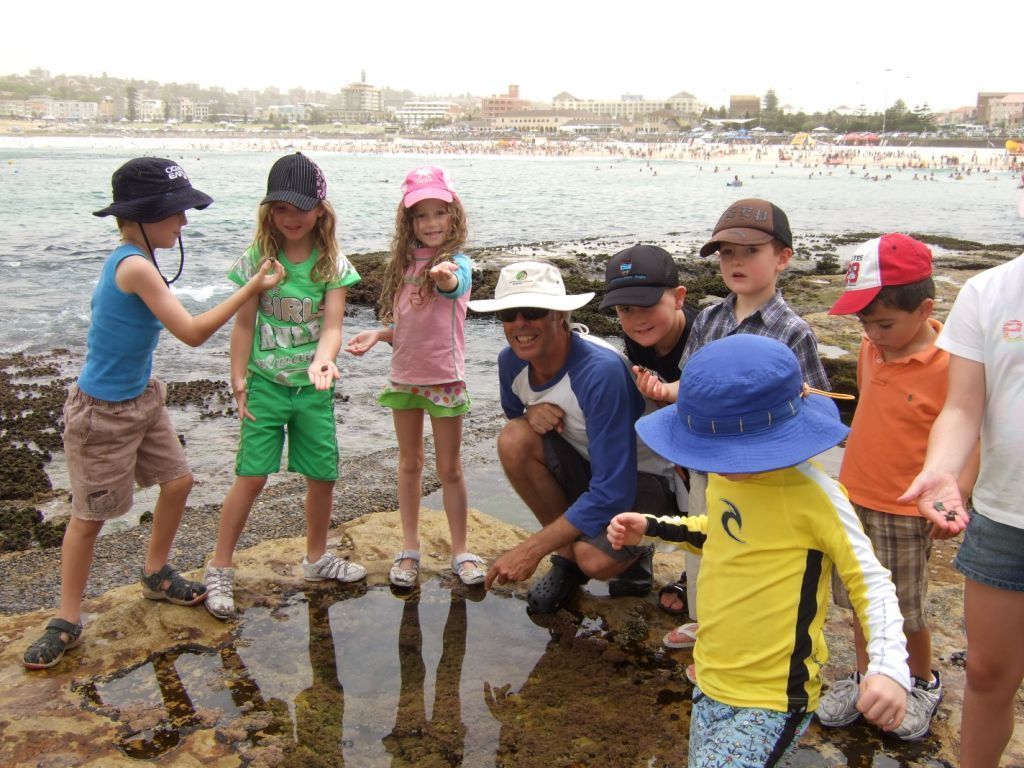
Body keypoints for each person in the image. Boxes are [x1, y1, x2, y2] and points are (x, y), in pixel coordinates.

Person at [22, 157, 284, 669]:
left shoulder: (140, 259)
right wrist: (249, 289)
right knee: (89, 517)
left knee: (179, 481)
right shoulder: (135, 266)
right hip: (102, 412)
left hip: (143, 398)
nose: (183, 223)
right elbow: (190, 333)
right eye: (175, 213)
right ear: (141, 216)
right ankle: (67, 619)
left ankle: (156, 572)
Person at [608, 334, 910, 768]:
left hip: (774, 693)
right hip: (713, 674)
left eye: (729, 452)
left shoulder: (817, 498)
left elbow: (872, 582)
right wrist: (652, 527)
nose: (720, 465)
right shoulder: (730, 477)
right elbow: (719, 531)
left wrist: (888, 667)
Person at [635, 198, 831, 649]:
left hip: (768, 470)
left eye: (750, 252)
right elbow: (695, 384)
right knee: (707, 544)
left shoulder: (793, 330)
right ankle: (706, 623)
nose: (736, 262)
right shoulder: (709, 318)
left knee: (756, 552)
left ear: (783, 257)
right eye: (727, 253)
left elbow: (816, 404)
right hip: (708, 461)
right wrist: (666, 392)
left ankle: (752, 634)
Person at [817, 233, 977, 740]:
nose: (872, 334)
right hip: (853, 499)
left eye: (883, 323)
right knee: (862, 601)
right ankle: (870, 676)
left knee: (906, 609)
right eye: (864, 323)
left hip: (905, 508)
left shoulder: (952, 364)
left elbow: (971, 438)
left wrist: (956, 495)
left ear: (925, 307)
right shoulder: (870, 350)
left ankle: (919, 681)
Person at [202, 153, 366, 620]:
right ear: (268, 211)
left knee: (322, 474)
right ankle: (220, 566)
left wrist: (323, 361)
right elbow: (243, 326)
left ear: (321, 208)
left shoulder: (332, 263)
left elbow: (332, 326)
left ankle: (316, 559)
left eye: (300, 207)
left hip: (313, 389)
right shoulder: (259, 260)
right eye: (280, 208)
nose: (291, 218)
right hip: (267, 386)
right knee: (251, 476)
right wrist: (237, 377)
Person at [471, 261, 675, 613]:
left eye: (533, 311)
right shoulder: (512, 362)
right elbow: (515, 418)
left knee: (594, 561)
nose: (520, 324)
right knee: (514, 438)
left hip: (647, 480)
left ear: (560, 316)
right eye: (508, 314)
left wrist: (531, 549)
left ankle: (637, 552)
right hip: (592, 466)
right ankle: (566, 559)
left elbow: (613, 492)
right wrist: (531, 413)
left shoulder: (600, 372)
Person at [899, 251, 1024, 768]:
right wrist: (943, 468)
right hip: (1004, 516)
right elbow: (963, 405)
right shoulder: (989, 291)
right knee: (986, 673)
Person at [345, 165, 485, 588]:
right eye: (420, 215)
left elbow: (454, 288)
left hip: (445, 379)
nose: (430, 224)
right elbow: (410, 326)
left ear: (453, 214)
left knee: (450, 468)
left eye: (438, 213)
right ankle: (410, 550)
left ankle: (461, 550)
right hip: (404, 377)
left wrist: (444, 278)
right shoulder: (402, 263)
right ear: (408, 221)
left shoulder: (457, 262)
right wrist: (379, 334)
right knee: (409, 464)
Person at [598, 244, 698, 613]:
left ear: (678, 298)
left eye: (647, 305)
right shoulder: (640, 336)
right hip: (669, 425)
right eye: (626, 310)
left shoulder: (702, 334)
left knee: (704, 496)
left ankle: (697, 577)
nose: (638, 319)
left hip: (712, 433)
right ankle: (644, 555)